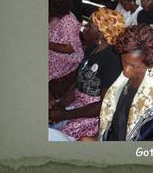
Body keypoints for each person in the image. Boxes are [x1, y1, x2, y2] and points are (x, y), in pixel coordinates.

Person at [49, 8, 125, 140]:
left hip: (92, 114)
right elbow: (78, 82)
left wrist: (65, 114)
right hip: (76, 104)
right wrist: (61, 103)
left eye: (89, 25)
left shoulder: (113, 60)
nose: (84, 27)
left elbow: (103, 105)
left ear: (101, 33)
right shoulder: (92, 47)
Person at [48, 0, 84, 81]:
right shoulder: (54, 16)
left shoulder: (68, 21)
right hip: (53, 53)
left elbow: (69, 48)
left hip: (65, 59)